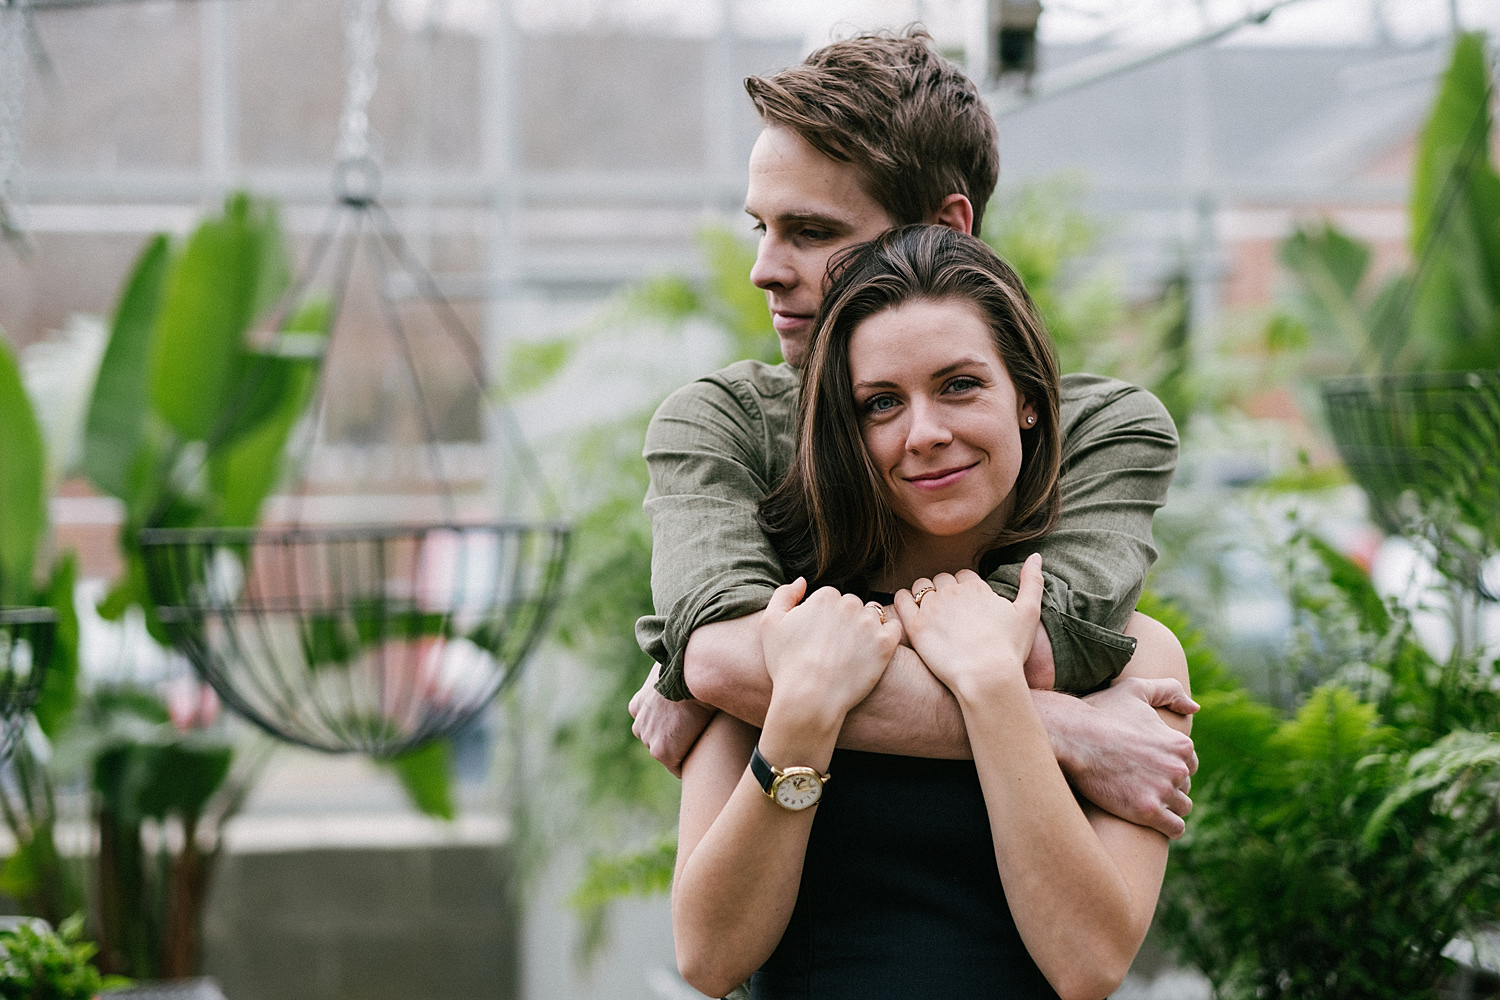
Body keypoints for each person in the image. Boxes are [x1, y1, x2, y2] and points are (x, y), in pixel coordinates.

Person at [630, 28, 1197, 838]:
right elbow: (724, 659)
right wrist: (1062, 728)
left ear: (944, 229)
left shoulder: (1099, 432)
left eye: (812, 232)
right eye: (762, 228)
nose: (766, 269)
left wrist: (727, 665)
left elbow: (1035, 650)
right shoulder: (723, 424)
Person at [672, 225, 1190, 1000]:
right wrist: (804, 710)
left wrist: (992, 683)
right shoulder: (788, 629)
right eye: (881, 403)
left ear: (1027, 401)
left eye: (960, 385)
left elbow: (1088, 964)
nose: (925, 434)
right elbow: (710, 957)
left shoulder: (1128, 659)